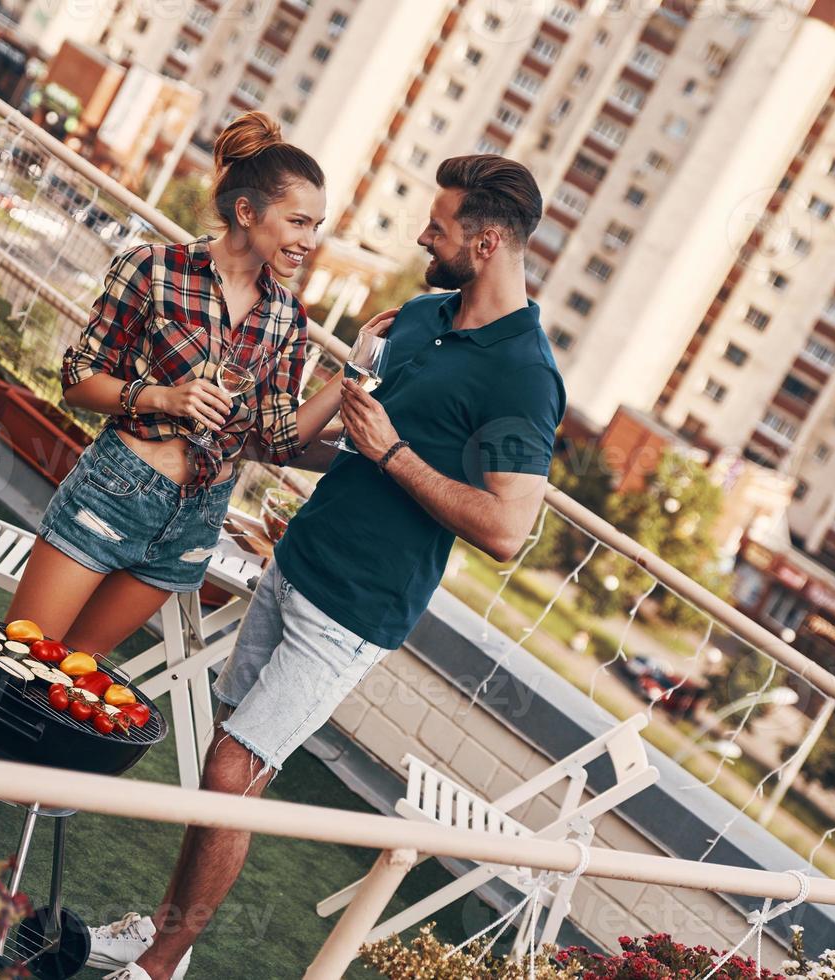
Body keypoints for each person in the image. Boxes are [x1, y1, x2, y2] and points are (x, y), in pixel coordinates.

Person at [0, 112, 393, 896]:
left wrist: (351, 372)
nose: (307, 239)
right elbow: (77, 379)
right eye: (297, 221)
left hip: (188, 528)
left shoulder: (289, 317)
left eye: (316, 226)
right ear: (246, 212)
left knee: (61, 693)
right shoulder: (151, 270)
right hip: (112, 495)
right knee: (2, 675)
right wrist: (167, 397)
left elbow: (278, 437)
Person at [89, 154, 567, 980]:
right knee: (229, 770)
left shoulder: (525, 375)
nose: (423, 234)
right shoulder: (418, 318)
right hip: (296, 562)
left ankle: (159, 965)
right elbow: (333, 442)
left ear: (488, 242)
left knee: (228, 770)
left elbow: (504, 529)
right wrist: (279, 435)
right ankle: (163, 938)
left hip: (355, 611)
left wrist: (392, 455)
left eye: (440, 226)